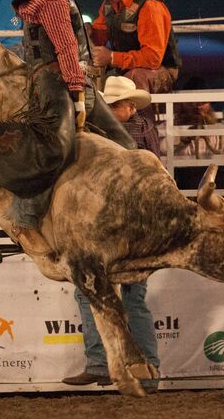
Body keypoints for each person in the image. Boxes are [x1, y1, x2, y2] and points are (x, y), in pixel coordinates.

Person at [0, 0, 133, 256]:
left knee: (114, 146)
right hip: (62, 84)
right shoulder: (54, 0)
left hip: (52, 83)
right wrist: (78, 92)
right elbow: (65, 47)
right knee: (58, 152)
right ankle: (25, 217)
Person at [63, 76, 160, 387]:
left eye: (131, 104)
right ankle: (148, 373)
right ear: (115, 107)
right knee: (134, 299)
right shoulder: (143, 130)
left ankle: (100, 363)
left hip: (105, 224)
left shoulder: (94, 132)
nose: (132, 109)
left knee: (89, 291)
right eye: (127, 104)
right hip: (141, 224)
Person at [87, 0, 181, 120]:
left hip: (163, 71)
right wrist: (88, 33)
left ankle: (141, 127)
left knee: (134, 77)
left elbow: (153, 59)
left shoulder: (150, 7)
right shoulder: (108, 6)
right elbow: (98, 38)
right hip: (126, 70)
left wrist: (111, 57)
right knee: (87, 74)